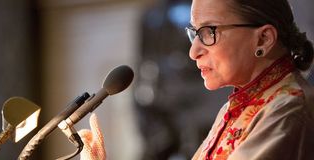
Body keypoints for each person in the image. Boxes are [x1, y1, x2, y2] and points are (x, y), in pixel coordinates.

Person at [79, 0, 314, 159]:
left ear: (263, 39)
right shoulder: (236, 107)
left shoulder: (287, 109)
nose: (193, 52)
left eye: (208, 32)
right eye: (194, 33)